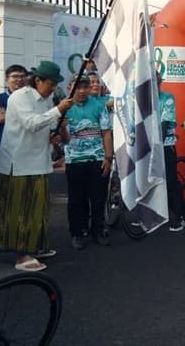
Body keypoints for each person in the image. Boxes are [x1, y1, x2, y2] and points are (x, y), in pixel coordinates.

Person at [0, 60, 73, 272]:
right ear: (38, 80)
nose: (53, 88)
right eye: (50, 84)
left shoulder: (46, 100)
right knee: (22, 210)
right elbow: (31, 123)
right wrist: (58, 110)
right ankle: (21, 255)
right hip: (19, 163)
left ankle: (34, 247)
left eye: (55, 84)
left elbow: (46, 124)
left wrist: (56, 131)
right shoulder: (20, 97)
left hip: (39, 161)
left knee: (38, 209)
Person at [60, 74, 113, 249]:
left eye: (85, 87)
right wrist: (62, 127)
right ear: (70, 88)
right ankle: (78, 232)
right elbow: (65, 140)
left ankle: (98, 230)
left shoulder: (98, 106)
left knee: (98, 198)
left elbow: (106, 133)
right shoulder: (64, 107)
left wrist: (108, 158)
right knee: (76, 200)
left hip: (97, 159)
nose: (82, 91)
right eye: (78, 87)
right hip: (74, 161)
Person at [157, 72, 185, 232]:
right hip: (147, 147)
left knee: (170, 181)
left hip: (165, 145)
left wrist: (156, 143)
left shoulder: (167, 98)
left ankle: (179, 216)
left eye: (155, 83)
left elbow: (164, 124)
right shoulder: (141, 99)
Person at [0, 64, 28, 153]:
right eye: (15, 76)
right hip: (6, 148)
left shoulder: (32, 99)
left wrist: (8, 113)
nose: (19, 79)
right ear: (7, 79)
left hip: (26, 148)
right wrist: (27, 116)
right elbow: (1, 118)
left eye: (22, 76)